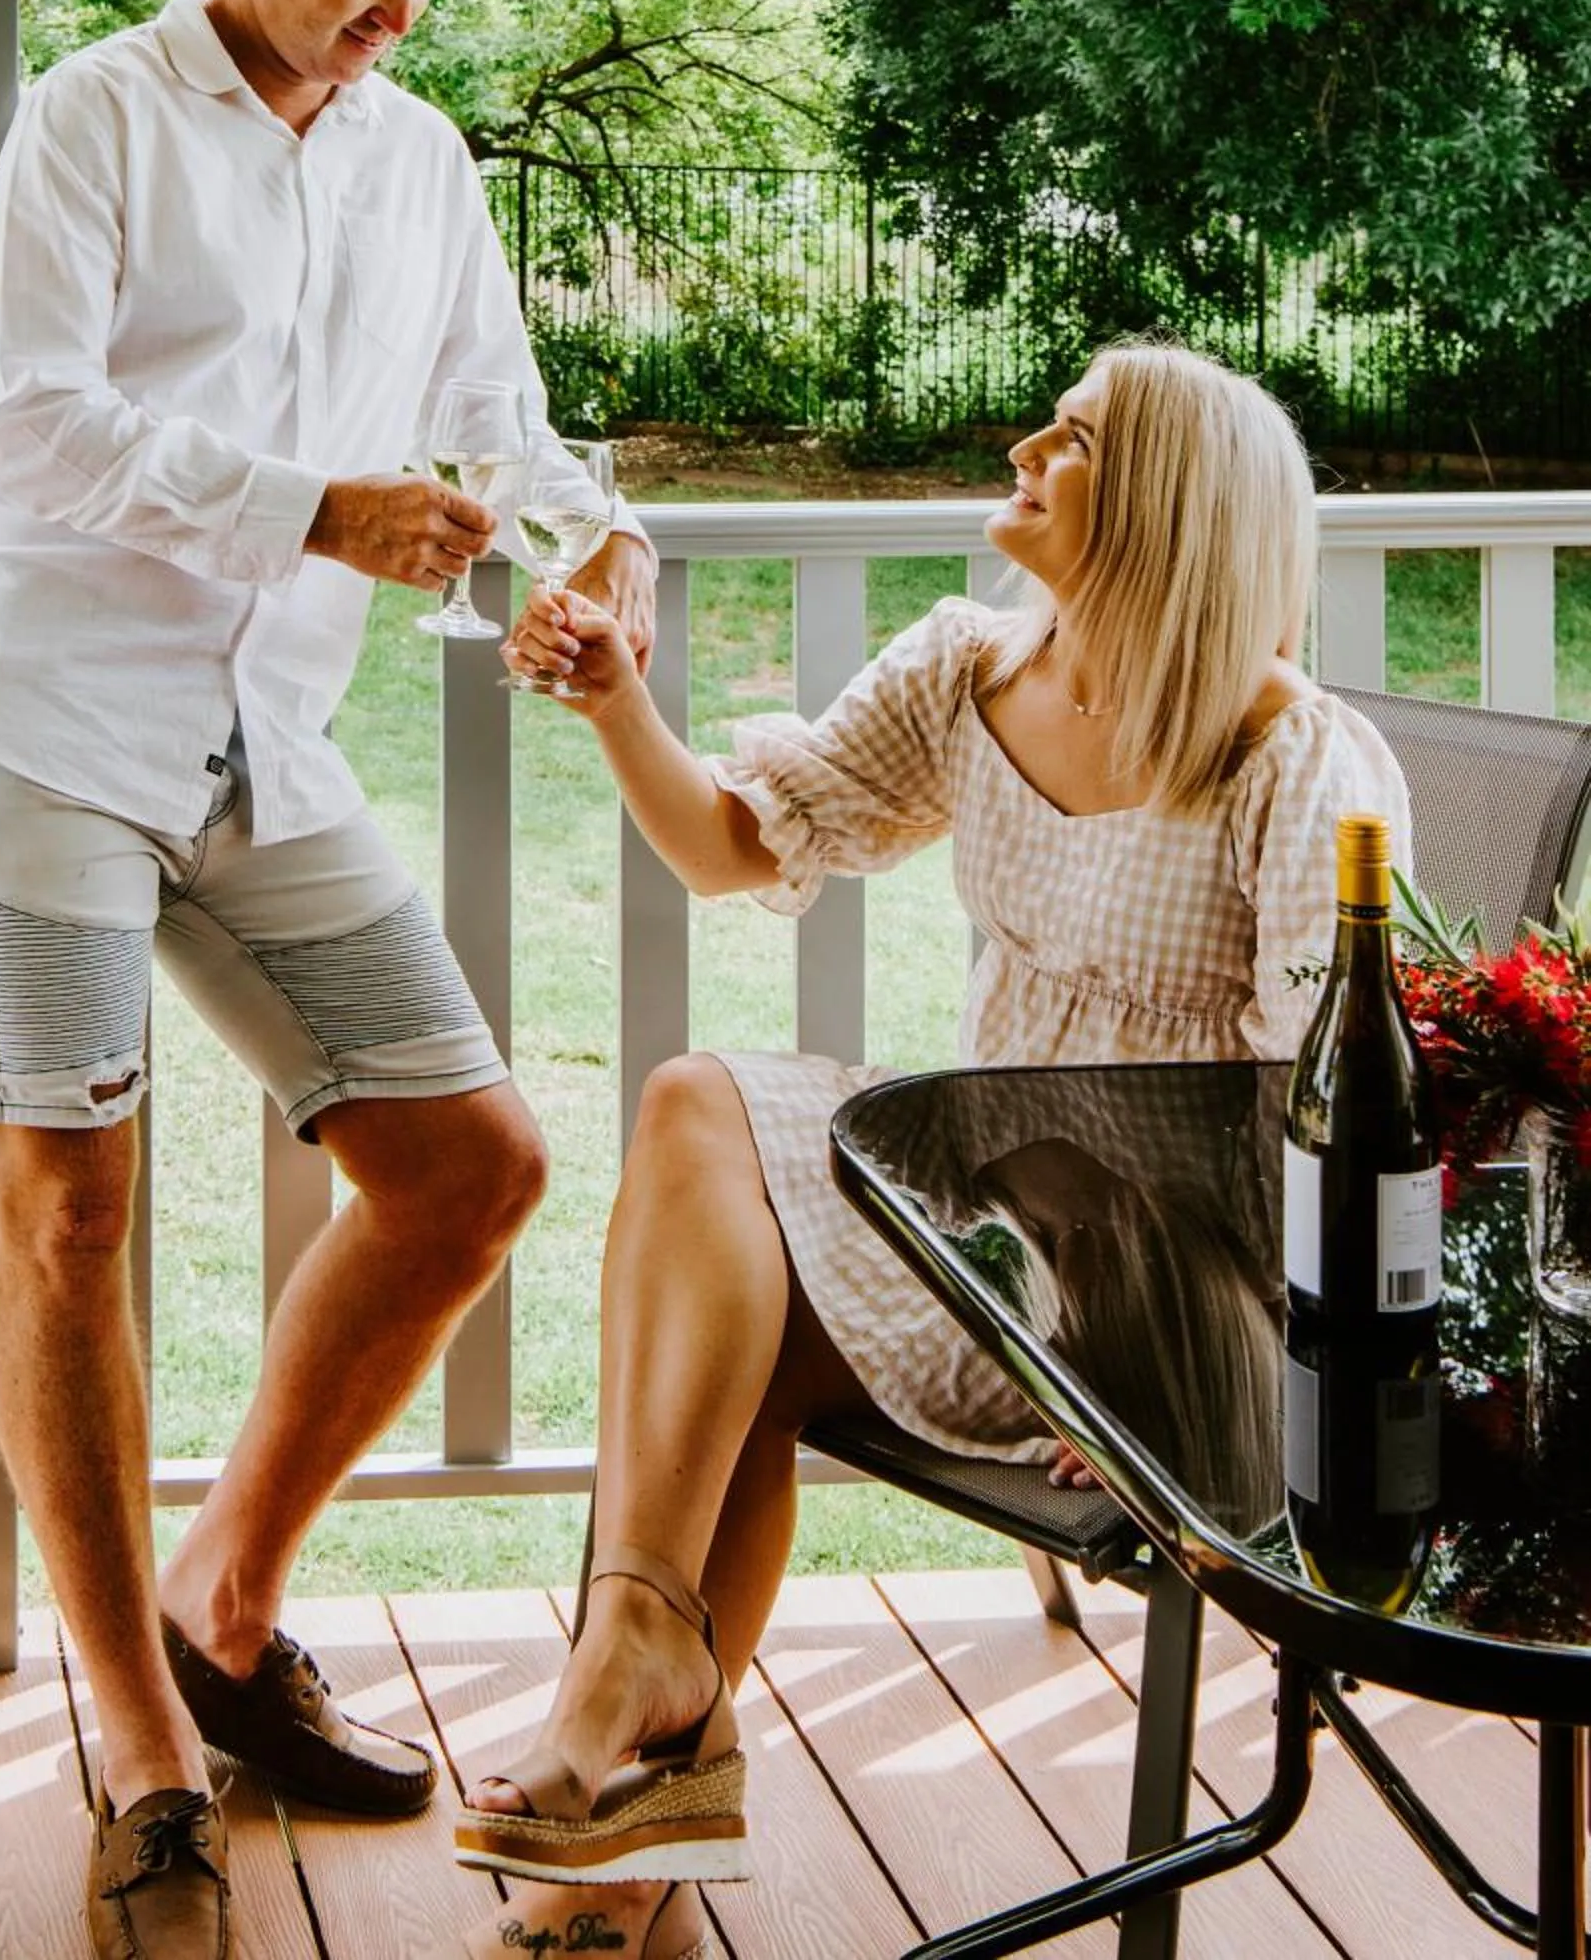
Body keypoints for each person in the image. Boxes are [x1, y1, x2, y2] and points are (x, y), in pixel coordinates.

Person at [0, 0, 654, 1960]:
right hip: (27, 710)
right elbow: (23, 416)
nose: (394, 25)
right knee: (70, 1197)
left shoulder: (418, 162)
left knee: (470, 1158)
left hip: (259, 733)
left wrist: (590, 534)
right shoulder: (97, 120)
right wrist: (315, 507)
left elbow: (489, 414)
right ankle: (134, 1739)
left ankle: (227, 1608)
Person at [448, 340, 1407, 1960]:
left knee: (722, 1312)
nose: (1026, 442)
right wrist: (617, 696)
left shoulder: (1285, 757)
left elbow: (1310, 1135)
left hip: (1163, 1325)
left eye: (1078, 435)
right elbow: (729, 845)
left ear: (1165, 495)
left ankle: (631, 1802)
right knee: (698, 1126)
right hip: (985, 1234)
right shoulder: (973, 670)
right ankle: (637, 1688)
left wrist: (1131, 1374)